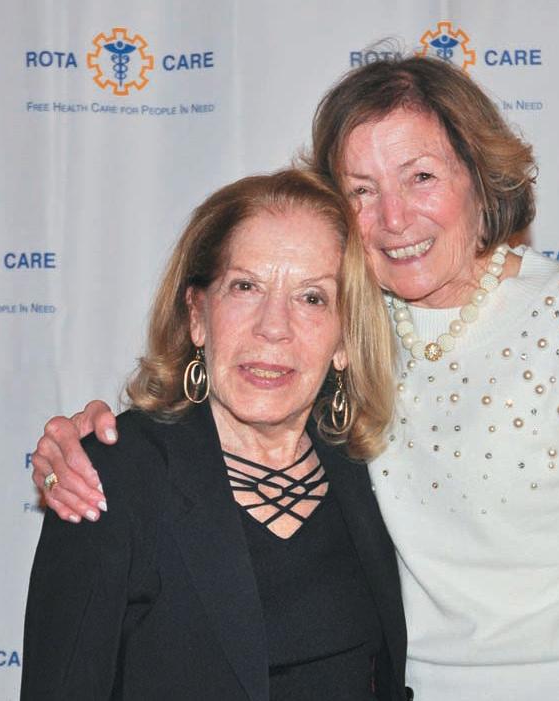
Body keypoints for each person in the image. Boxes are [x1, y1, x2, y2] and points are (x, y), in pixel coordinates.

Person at [30, 57, 559, 700]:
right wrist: (82, 444)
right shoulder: (351, 323)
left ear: (479, 174)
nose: (394, 219)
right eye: (362, 190)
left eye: (420, 177)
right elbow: (226, 408)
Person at [22, 169, 410, 700]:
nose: (274, 326)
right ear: (198, 315)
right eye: (245, 287)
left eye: (312, 298)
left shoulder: (371, 473)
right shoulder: (110, 476)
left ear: (345, 340)